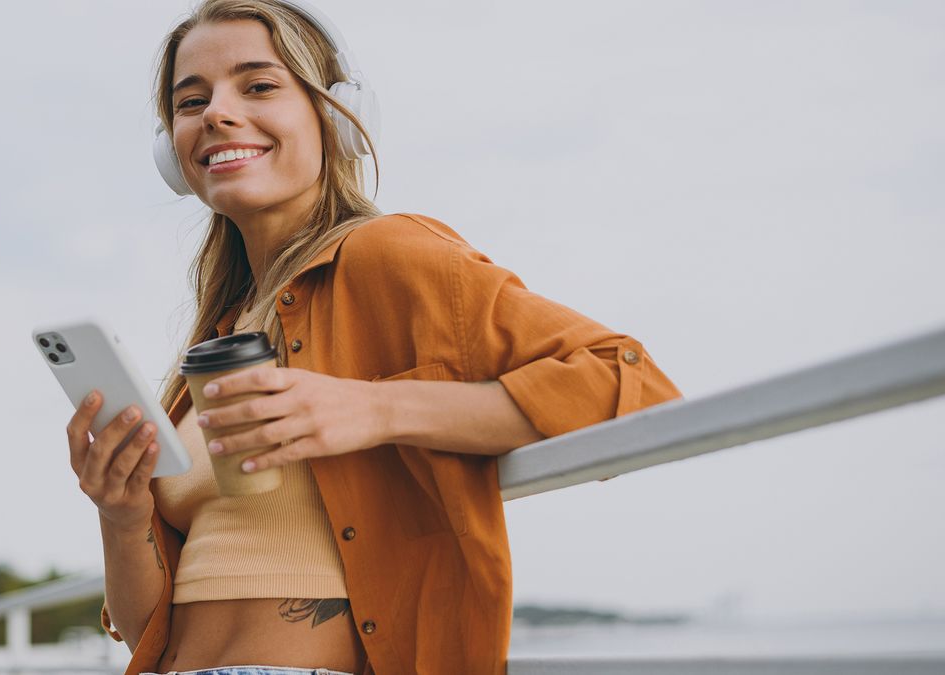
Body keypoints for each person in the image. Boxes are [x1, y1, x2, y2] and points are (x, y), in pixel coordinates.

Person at [65, 1, 683, 673]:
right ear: (171, 147)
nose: (216, 111)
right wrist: (122, 517)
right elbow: (144, 629)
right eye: (192, 100)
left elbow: (637, 386)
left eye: (259, 85)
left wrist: (376, 408)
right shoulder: (218, 338)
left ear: (332, 114)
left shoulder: (387, 254)